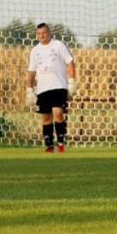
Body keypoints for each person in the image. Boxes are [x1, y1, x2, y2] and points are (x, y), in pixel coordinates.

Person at [26, 23, 76, 152]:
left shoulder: (58, 45)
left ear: (49, 33)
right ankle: (49, 146)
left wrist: (71, 82)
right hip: (43, 89)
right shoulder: (35, 51)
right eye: (39, 33)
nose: (42, 35)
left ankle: (60, 143)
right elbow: (31, 72)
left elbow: (70, 63)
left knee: (58, 112)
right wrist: (29, 90)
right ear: (37, 35)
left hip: (59, 86)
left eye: (44, 33)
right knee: (46, 117)